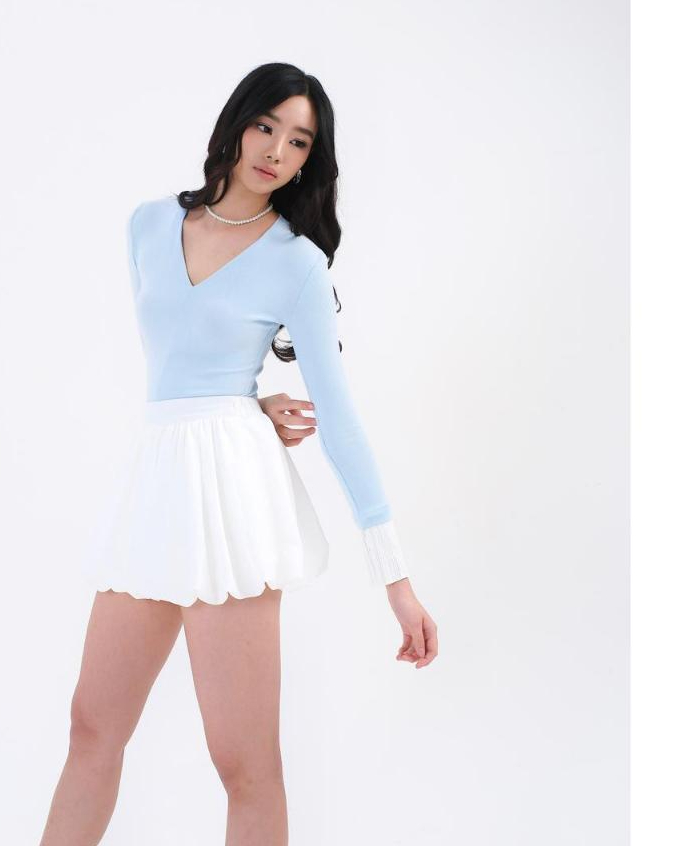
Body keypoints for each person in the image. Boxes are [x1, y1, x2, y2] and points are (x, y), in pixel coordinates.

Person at [39, 62, 438, 846]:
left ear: (309, 161)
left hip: (232, 506)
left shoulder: (297, 262)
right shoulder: (147, 225)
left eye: (300, 142)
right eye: (266, 126)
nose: (277, 151)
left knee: (245, 764)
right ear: (237, 123)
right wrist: (250, 406)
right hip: (157, 492)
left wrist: (395, 579)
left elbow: (340, 419)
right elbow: (178, 367)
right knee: (91, 728)